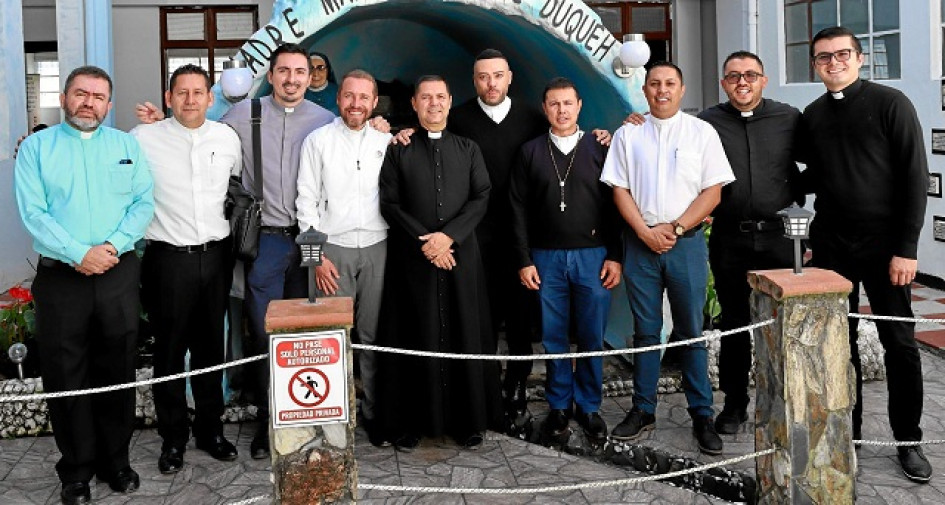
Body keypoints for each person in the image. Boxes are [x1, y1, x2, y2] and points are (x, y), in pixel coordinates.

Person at [395, 49, 610, 429]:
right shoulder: (456, 117)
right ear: (473, 80)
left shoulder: (532, 117)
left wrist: (602, 132)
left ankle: (518, 388)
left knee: (524, 323)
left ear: (509, 78)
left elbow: (567, 141)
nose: (490, 83)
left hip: (524, 239)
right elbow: (431, 138)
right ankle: (483, 394)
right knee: (480, 321)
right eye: (482, 76)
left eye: (497, 75)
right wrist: (402, 129)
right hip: (471, 238)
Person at [14, 65, 154, 505]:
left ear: (109, 104)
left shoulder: (126, 146)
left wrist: (110, 247)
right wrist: (80, 252)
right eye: (80, 93)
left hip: (116, 271)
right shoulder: (36, 149)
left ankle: (117, 461)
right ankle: (75, 470)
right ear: (66, 98)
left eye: (97, 95)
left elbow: (143, 202)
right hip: (62, 279)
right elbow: (34, 213)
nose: (88, 101)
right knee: (65, 371)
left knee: (117, 369)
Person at [800, 26, 931, 483]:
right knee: (839, 347)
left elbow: (916, 177)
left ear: (859, 59)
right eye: (823, 57)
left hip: (885, 247)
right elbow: (807, 174)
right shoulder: (812, 114)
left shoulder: (891, 104)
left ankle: (909, 441)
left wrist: (907, 249)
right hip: (832, 247)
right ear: (814, 65)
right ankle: (845, 438)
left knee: (900, 346)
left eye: (841, 55)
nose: (833, 63)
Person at [600, 61, 734, 456]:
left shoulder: (701, 133)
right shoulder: (629, 133)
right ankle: (643, 410)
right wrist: (644, 232)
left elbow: (713, 192)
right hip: (641, 245)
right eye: (654, 84)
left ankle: (702, 415)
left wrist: (674, 229)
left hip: (686, 243)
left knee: (692, 330)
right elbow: (619, 189)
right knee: (645, 333)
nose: (662, 90)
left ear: (682, 89)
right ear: (645, 91)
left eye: (669, 83)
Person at [376, 75, 499, 451]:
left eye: (440, 97)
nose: (433, 104)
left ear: (449, 102)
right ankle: (410, 423)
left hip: (460, 257)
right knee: (415, 334)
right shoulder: (399, 150)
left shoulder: (468, 148)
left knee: (464, 332)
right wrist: (427, 243)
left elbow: (481, 195)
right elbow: (390, 203)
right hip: (413, 261)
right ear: (413, 103)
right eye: (425, 97)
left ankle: (467, 422)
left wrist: (450, 238)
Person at [131, 64, 242, 474]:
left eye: (199, 93)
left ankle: (211, 431)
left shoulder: (226, 138)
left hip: (215, 257)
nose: (191, 100)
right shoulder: (143, 139)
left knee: (211, 348)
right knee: (170, 352)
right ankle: (173, 438)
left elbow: (236, 186)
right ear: (168, 97)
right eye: (182, 92)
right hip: (168, 260)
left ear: (211, 99)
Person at [509, 77, 621, 443]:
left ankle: (588, 406)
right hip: (545, 258)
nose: (561, 110)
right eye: (554, 104)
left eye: (567, 103)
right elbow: (518, 209)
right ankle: (559, 404)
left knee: (591, 333)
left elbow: (615, 206)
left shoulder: (600, 148)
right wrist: (524, 259)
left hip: (593, 256)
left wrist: (615, 256)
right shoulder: (530, 152)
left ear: (579, 106)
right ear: (545, 109)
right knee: (553, 335)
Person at [697, 51, 802, 434]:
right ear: (724, 83)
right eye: (734, 76)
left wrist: (795, 195)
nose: (743, 82)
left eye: (751, 75)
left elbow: (816, 160)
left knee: (783, 324)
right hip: (729, 238)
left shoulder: (788, 118)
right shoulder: (707, 122)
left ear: (764, 80)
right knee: (735, 325)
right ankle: (735, 405)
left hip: (778, 238)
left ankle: (785, 403)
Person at [296, 69, 392, 446]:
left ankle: (373, 414)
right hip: (330, 250)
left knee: (372, 335)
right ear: (339, 99)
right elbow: (304, 201)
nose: (356, 104)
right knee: (331, 336)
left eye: (364, 97)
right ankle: (333, 418)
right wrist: (314, 258)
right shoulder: (317, 141)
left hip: (377, 246)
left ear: (374, 101)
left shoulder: (386, 141)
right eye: (349, 96)